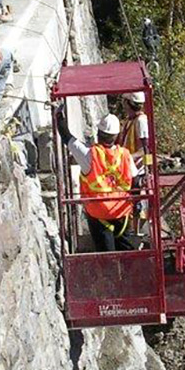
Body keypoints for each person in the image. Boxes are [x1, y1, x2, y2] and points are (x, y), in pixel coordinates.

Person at [56, 108, 140, 252]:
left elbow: (67, 137)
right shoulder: (125, 155)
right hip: (122, 212)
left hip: (98, 213)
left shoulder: (89, 155)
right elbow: (136, 181)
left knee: (105, 254)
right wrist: (135, 203)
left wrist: (58, 116)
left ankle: (108, 270)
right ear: (116, 136)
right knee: (127, 252)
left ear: (99, 134)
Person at [119, 91, 151, 167]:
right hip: (128, 166)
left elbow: (145, 149)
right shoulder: (129, 121)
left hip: (138, 170)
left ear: (127, 103)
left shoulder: (141, 120)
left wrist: (128, 157)